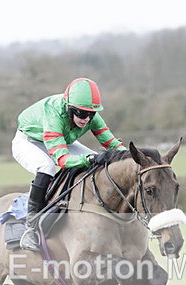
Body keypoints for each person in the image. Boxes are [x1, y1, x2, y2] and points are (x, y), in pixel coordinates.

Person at [12, 77, 127, 251]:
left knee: (98, 161)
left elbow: (112, 144)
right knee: (47, 167)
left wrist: (134, 159)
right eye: (81, 113)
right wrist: (87, 160)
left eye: (90, 114)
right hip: (30, 142)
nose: (86, 118)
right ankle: (30, 228)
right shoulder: (54, 115)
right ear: (68, 107)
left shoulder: (90, 115)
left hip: (61, 139)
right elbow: (62, 160)